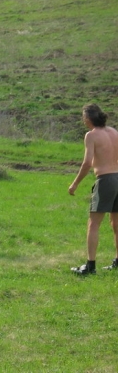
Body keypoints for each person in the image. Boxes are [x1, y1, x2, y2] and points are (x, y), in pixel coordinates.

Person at [69, 104, 118, 275]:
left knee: (94, 223)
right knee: (116, 223)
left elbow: (87, 162)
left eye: (83, 117)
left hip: (105, 180)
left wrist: (75, 183)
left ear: (88, 119)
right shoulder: (113, 131)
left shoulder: (91, 136)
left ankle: (90, 266)